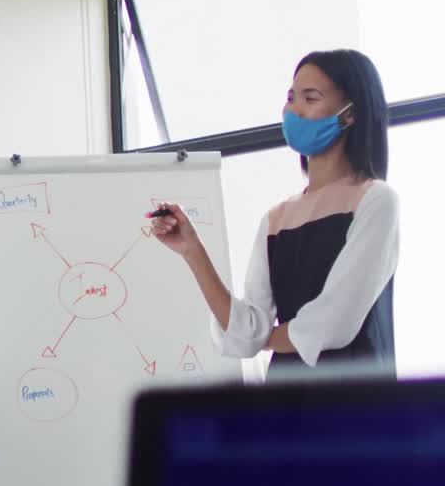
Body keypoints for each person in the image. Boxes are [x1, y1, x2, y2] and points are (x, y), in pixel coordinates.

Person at [152, 49, 398, 377]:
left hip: (356, 399)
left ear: (350, 113)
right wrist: (192, 250)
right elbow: (243, 331)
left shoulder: (376, 201)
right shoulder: (277, 218)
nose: (293, 110)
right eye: (291, 97)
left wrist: (260, 339)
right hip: (287, 398)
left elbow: (333, 324)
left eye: (310, 99)